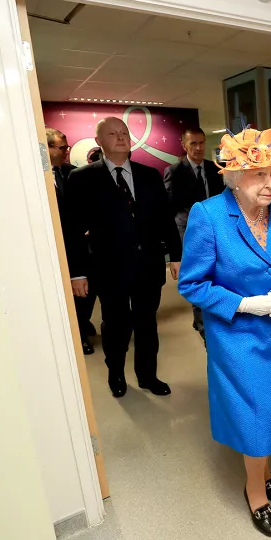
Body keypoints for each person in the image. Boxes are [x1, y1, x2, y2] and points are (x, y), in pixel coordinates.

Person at [178, 126, 271, 537]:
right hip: (237, 336)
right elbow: (192, 284)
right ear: (235, 177)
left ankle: (266, 468)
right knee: (255, 412)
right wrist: (244, 303)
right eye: (260, 175)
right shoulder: (209, 215)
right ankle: (256, 490)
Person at [66, 117, 183, 398]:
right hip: (108, 267)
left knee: (147, 323)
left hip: (148, 264)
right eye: (112, 133)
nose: (120, 137)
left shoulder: (149, 175)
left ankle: (147, 375)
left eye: (124, 132)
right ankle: (116, 374)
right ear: (99, 142)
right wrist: (77, 272)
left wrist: (175, 255)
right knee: (115, 325)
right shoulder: (82, 178)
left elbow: (165, 219)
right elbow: (71, 228)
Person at [163, 127, 225, 339]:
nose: (198, 148)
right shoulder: (175, 171)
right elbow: (170, 207)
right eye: (193, 144)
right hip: (189, 230)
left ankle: (205, 313)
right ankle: (202, 323)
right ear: (184, 145)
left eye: (201, 143)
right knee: (198, 273)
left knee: (215, 271)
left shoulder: (214, 168)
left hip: (216, 229)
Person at [47, 127, 96, 355]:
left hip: (78, 244)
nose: (66, 152)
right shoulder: (34, 178)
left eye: (67, 147)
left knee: (85, 291)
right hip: (51, 247)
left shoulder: (73, 173)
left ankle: (81, 327)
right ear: (46, 148)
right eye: (62, 147)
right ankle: (73, 333)